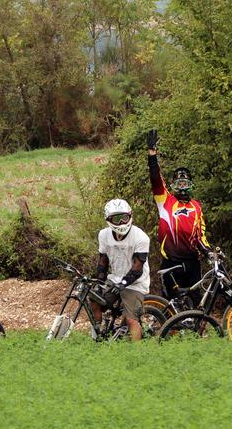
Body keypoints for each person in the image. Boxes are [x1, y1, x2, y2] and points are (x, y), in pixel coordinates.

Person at [146, 129, 210, 303]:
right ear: (173, 185)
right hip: (171, 261)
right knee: (171, 301)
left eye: (185, 182)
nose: (182, 186)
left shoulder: (197, 206)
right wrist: (152, 155)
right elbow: (156, 180)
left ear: (191, 184)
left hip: (193, 262)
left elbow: (201, 233)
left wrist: (208, 251)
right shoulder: (165, 200)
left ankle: (195, 330)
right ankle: (171, 330)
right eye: (179, 183)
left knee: (196, 300)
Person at [90, 198, 150, 341]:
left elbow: (137, 268)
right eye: (117, 219)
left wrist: (123, 284)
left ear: (130, 215)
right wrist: (99, 282)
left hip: (136, 283)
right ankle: (96, 337)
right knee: (94, 301)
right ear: (109, 219)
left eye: (124, 217)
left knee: (131, 320)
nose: (122, 222)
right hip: (114, 278)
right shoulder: (103, 235)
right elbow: (103, 262)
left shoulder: (141, 237)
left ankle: (138, 354)